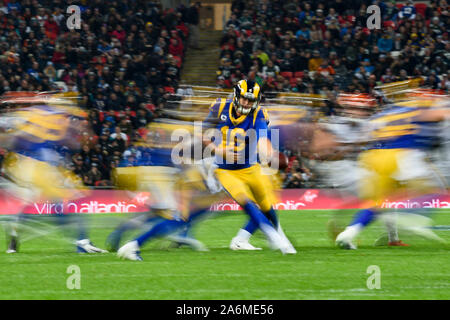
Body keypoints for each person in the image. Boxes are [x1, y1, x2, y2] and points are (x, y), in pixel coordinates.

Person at [335, 92, 450, 249]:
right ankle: (414, 220)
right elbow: (436, 115)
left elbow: (364, 137)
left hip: (371, 158)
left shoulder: (387, 112)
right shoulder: (420, 106)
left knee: (379, 203)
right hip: (401, 154)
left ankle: (348, 234)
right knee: (431, 189)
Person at [204, 79, 296, 254]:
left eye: (251, 100)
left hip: (249, 167)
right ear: (237, 95)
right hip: (224, 169)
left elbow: (261, 139)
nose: (246, 103)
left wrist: (268, 155)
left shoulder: (259, 114)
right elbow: (204, 136)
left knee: (266, 204)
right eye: (244, 98)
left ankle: (273, 237)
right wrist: (220, 151)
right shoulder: (220, 106)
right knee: (247, 203)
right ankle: (278, 240)